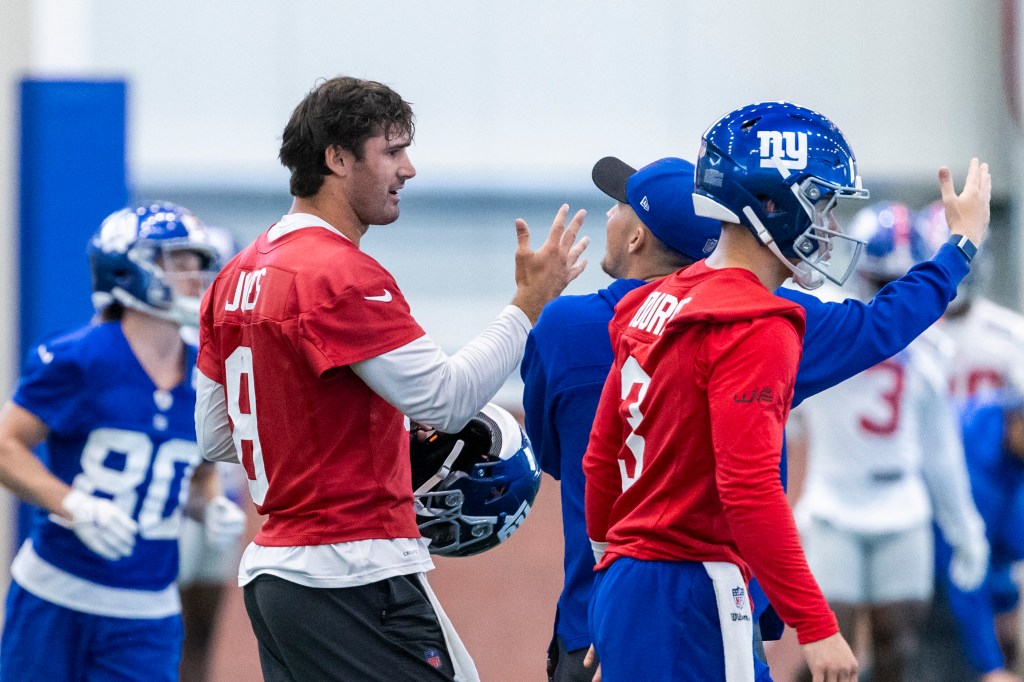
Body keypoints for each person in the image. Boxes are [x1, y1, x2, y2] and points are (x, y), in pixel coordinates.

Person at [523, 164, 991, 680]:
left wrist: (611, 581)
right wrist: (960, 247)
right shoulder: (761, 319)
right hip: (699, 585)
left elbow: (594, 459)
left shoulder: (643, 304)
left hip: (622, 585)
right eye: (821, 205)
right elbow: (748, 488)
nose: (828, 223)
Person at [194, 75, 587, 682]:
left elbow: (218, 436)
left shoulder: (234, 276)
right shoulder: (338, 273)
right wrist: (528, 304)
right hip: (353, 571)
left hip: (277, 579)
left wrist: (348, 431)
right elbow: (447, 398)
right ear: (337, 158)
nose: (408, 169)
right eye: (393, 150)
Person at [0, 203, 245, 681]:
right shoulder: (80, 358)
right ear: (126, 267)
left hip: (147, 610)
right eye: (177, 261)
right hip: (57, 594)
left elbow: (193, 470)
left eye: (196, 261)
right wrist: (72, 503)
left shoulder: (206, 369)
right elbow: (6, 447)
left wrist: (209, 504)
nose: (194, 275)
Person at [790, 201, 989, 682]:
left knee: (896, 651)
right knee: (827, 652)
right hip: (833, 506)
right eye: (883, 282)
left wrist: (966, 530)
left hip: (902, 507)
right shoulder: (824, 331)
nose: (890, 296)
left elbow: (940, 454)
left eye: (901, 284)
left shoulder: (931, 351)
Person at [177, 225, 249, 682]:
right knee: (165, 623)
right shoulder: (168, 343)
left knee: (202, 628)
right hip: (174, 501)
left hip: (221, 495)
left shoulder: (243, 341)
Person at [939, 390, 1024, 682]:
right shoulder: (972, 461)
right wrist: (990, 666)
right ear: (1016, 421)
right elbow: (965, 569)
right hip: (934, 567)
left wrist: (1007, 600)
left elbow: (1010, 545)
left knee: (1008, 640)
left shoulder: (1012, 452)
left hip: (987, 564)